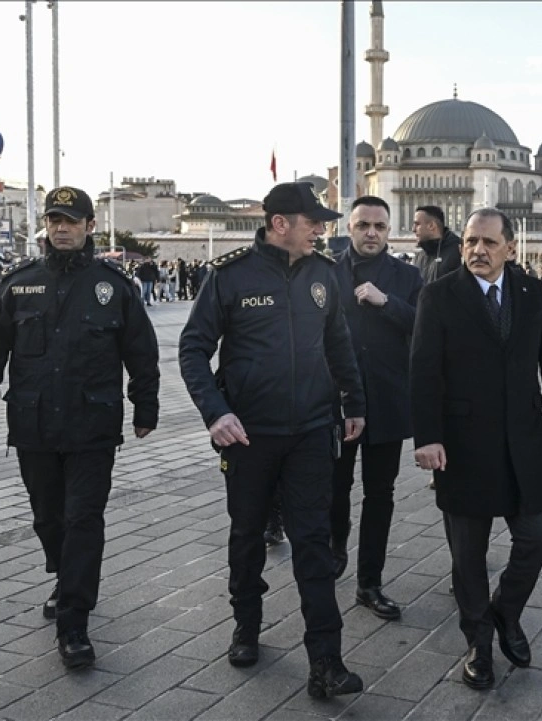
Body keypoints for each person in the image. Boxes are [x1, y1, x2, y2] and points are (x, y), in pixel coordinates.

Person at [178, 181, 366, 698]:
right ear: (280, 223)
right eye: (314, 222)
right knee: (246, 536)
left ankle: (326, 660)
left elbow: (339, 345)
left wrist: (354, 403)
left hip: (310, 431)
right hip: (248, 436)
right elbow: (193, 349)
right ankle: (247, 624)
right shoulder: (230, 276)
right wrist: (215, 414)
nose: (322, 230)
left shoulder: (323, 274)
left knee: (312, 542)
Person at [0, 186, 160, 669]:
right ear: (46, 227)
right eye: (54, 220)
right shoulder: (19, 283)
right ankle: (63, 572)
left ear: (90, 226)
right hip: (33, 425)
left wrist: (146, 407)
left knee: (83, 520)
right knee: (48, 518)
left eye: (71, 220)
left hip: (93, 426)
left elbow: (142, 352)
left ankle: (74, 620)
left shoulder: (114, 286)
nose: (62, 228)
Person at [409, 207, 542, 690]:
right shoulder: (439, 295)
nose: (477, 251)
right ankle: (479, 643)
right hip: (462, 446)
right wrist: (428, 437)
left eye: (487, 242)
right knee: (468, 556)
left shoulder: (532, 292)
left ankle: (505, 612)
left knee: (537, 535)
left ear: (509, 247)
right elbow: (423, 371)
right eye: (469, 242)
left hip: (522, 440)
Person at [328, 195, 423, 620]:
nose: (371, 233)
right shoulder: (326, 273)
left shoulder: (407, 276)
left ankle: (370, 581)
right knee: (334, 488)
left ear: (389, 230)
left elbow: (424, 327)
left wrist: (388, 303)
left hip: (386, 401)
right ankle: (334, 547)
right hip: (337, 402)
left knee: (379, 494)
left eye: (379, 226)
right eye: (363, 224)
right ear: (349, 227)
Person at [411, 205, 461, 284]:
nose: (413, 229)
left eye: (417, 224)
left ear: (431, 226)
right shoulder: (419, 256)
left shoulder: (459, 252)